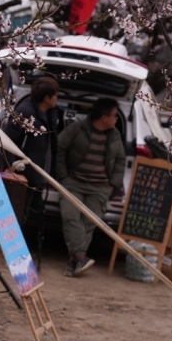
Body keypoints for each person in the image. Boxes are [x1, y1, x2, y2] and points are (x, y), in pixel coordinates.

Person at [56, 98, 125, 277]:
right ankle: (80, 257)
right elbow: (59, 147)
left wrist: (113, 185)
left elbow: (120, 161)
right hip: (73, 182)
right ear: (104, 117)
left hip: (100, 187)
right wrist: (63, 176)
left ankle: (75, 261)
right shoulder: (77, 128)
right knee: (70, 216)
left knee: (90, 221)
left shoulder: (115, 135)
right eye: (114, 115)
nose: (116, 119)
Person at [0, 76, 59, 221]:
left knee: (27, 216)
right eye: (56, 95)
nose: (57, 98)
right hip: (23, 176)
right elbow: (7, 141)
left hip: (37, 177)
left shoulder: (50, 114)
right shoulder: (25, 113)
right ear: (47, 98)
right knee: (15, 216)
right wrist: (10, 166)